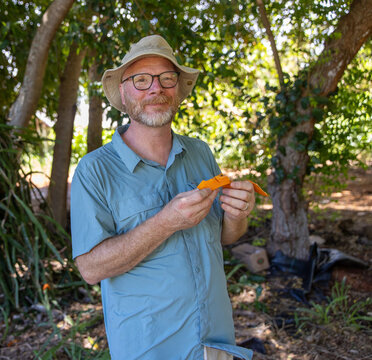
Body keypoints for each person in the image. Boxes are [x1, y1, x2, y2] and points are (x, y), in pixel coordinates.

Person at [70, 35, 255, 360]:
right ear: (123, 95)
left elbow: (225, 236)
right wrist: (165, 223)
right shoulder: (94, 170)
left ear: (178, 91)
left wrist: (238, 214)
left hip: (215, 341)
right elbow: (90, 268)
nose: (156, 88)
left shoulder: (200, 153)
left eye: (167, 78)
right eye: (141, 80)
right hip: (150, 349)